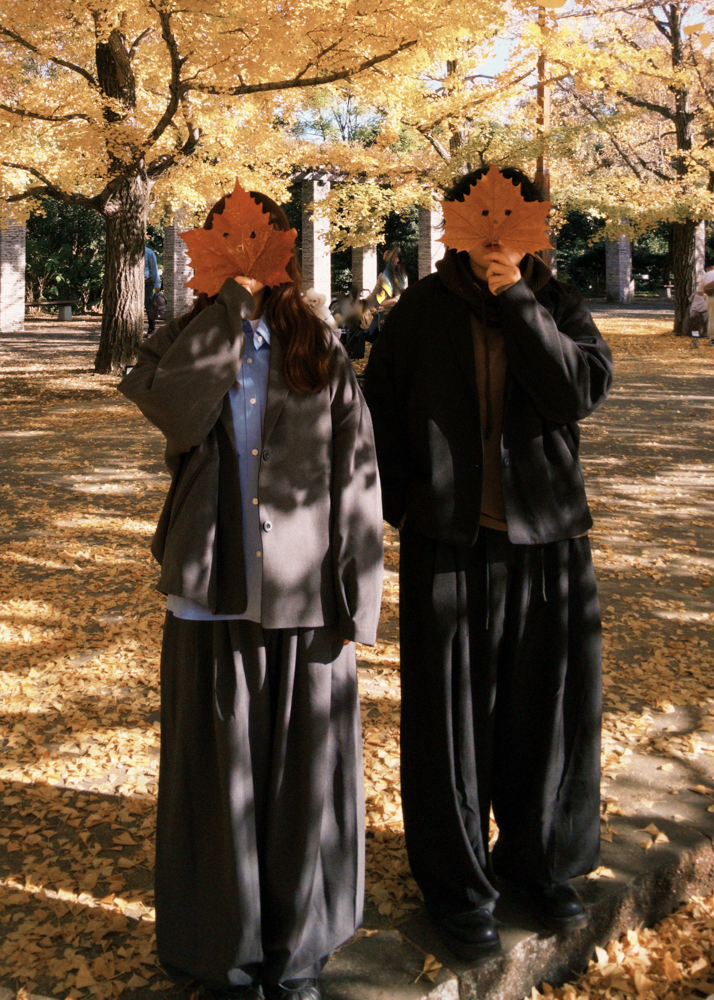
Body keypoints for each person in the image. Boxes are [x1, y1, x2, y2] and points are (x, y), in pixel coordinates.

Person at [119, 191, 383, 1000]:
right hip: (211, 590)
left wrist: (359, 597)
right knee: (217, 777)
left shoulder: (320, 344)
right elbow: (173, 411)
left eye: (258, 242)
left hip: (307, 596)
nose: (243, 253)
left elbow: (357, 471)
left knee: (304, 776)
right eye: (225, 241)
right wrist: (231, 308)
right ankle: (222, 956)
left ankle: (298, 954)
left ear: (284, 252)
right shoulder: (182, 338)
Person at [363, 166, 613, 961]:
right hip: (449, 546)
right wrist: (410, 508)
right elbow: (377, 418)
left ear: (536, 224)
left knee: (547, 715)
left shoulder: (558, 303)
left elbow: (578, 392)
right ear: (454, 224)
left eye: (512, 216)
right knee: (450, 726)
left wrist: (519, 303)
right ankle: (459, 889)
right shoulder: (419, 311)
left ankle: (540, 866)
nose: (495, 232)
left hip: (548, 546)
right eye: (479, 217)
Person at [364, 243, 408, 344]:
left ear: (398, 259)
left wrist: (382, 303)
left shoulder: (401, 277)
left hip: (393, 314)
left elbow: (400, 297)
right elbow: (375, 293)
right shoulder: (383, 276)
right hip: (381, 313)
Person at [694, 265, 714, 343]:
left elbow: (700, 292)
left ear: (707, 269)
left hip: (712, 297)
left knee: (712, 318)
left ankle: (713, 339)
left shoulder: (706, 275)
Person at [144, 245, 161, 334]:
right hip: (133, 283)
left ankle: (151, 328)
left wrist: (157, 284)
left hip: (147, 282)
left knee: (149, 306)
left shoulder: (149, 252)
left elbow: (154, 269)